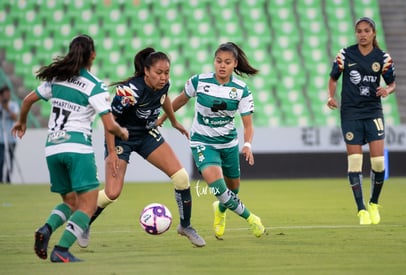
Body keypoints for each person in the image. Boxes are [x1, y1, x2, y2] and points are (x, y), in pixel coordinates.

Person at [11, 34, 129, 263]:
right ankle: (61, 250)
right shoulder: (94, 85)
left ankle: (46, 229)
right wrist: (122, 132)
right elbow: (109, 124)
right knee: (89, 204)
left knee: (70, 202)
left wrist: (22, 122)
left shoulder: (57, 79)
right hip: (77, 148)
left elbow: (27, 101)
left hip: (53, 148)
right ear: (92, 55)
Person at [77, 47, 206, 248]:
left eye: (167, 73)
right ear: (146, 71)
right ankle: (83, 221)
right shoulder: (129, 92)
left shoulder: (164, 85)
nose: (163, 78)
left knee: (181, 178)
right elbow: (110, 122)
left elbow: (164, 100)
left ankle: (186, 226)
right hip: (121, 137)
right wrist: (111, 153)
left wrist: (173, 121)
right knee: (112, 193)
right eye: (159, 73)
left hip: (146, 134)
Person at [159, 42, 266, 239]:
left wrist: (247, 144)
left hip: (228, 144)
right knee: (219, 188)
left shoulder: (241, 90)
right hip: (202, 142)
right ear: (214, 62)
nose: (222, 65)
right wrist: (163, 119)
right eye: (218, 61)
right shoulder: (199, 81)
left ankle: (221, 209)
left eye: (227, 62)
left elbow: (248, 124)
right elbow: (180, 100)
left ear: (234, 64)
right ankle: (252, 219)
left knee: (233, 190)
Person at [327, 17, 396, 225]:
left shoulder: (383, 58)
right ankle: (361, 210)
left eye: (366, 30)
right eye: (359, 31)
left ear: (373, 33)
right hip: (350, 113)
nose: (362, 34)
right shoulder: (345, 54)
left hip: (373, 112)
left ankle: (374, 203)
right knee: (355, 161)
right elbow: (333, 78)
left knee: (377, 161)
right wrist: (331, 96)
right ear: (356, 33)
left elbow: (392, 83)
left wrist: (387, 90)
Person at [0, 85, 19, 183]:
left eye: (8, 94)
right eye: (5, 95)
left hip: (11, 138)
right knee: (1, 160)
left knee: (10, 160)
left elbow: (15, 117)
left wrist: (6, 108)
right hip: (0, 139)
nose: (7, 97)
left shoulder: (13, 105)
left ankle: (8, 180)